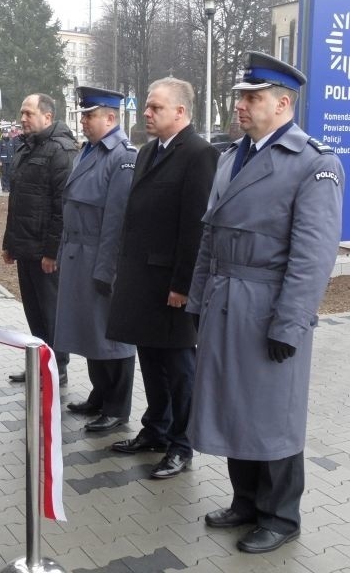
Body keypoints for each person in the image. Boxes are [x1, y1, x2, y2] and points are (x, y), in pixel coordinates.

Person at [186, 52, 344, 555]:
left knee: (273, 414)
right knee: (234, 404)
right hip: (225, 297)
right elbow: (209, 236)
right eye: (240, 96)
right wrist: (196, 300)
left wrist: (290, 323)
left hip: (268, 305)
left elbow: (312, 256)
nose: (241, 105)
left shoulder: (314, 164)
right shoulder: (233, 156)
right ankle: (246, 501)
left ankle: (281, 515)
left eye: (252, 97)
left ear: (283, 103)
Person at [106, 77, 218, 479]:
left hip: (171, 285)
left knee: (179, 369)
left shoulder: (199, 154)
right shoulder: (150, 151)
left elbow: (195, 226)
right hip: (141, 280)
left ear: (181, 112)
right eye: (147, 107)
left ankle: (182, 445)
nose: (147, 113)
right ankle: (155, 428)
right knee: (150, 360)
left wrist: (183, 286)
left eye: (155, 108)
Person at [55, 86, 137, 432]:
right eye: (83, 115)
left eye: (90, 116)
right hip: (78, 254)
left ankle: (117, 407)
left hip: (100, 256)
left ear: (111, 117)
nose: (84, 121)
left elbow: (117, 221)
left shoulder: (122, 156)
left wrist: (108, 269)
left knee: (111, 335)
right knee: (88, 331)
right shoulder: (89, 151)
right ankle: (99, 396)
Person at [2, 93, 77, 386]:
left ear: (47, 117)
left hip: (46, 253)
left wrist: (52, 251)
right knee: (33, 311)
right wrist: (10, 243)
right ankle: (38, 363)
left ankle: (57, 367)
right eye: (22, 113)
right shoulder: (26, 148)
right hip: (26, 247)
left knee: (52, 312)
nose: (23, 118)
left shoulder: (61, 150)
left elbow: (63, 206)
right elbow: (16, 202)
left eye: (28, 113)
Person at [0, 127, 16, 192]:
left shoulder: (11, 141)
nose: (5, 134)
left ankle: (9, 187)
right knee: (4, 174)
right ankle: (4, 187)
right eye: (4, 133)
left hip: (10, 161)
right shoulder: (0, 142)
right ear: (2, 134)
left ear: (8, 133)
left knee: (9, 174)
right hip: (3, 162)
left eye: (6, 133)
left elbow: (14, 151)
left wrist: (14, 160)